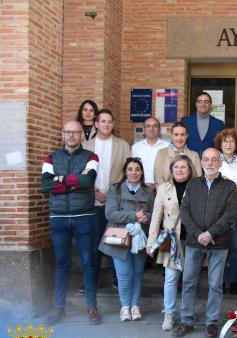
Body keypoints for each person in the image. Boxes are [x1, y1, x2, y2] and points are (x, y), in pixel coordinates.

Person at [173, 148, 237, 338]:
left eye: (214, 160)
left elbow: (230, 213)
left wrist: (210, 233)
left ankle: (211, 323)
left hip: (219, 243)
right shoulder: (192, 185)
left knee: (215, 284)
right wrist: (198, 234)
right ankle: (186, 320)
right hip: (194, 242)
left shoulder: (229, 186)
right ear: (201, 163)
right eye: (206, 160)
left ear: (220, 163)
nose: (210, 163)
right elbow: (184, 211)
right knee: (188, 282)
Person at [42, 120, 101, 325]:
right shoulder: (51, 158)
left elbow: (87, 181)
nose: (72, 136)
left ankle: (92, 307)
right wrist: (71, 181)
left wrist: (59, 179)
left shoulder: (91, 157)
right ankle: (59, 308)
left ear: (82, 135)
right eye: (68, 132)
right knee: (61, 264)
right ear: (63, 134)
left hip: (83, 216)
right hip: (58, 217)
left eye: (76, 132)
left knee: (88, 262)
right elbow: (46, 185)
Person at [99, 158, 154, 321]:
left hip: (140, 238)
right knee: (124, 274)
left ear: (142, 172)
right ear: (125, 172)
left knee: (137, 273)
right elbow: (110, 213)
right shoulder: (115, 189)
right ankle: (125, 306)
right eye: (130, 169)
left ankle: (135, 305)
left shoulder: (149, 191)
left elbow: (153, 213)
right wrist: (133, 216)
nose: (134, 172)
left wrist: (146, 217)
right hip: (118, 237)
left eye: (137, 169)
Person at [146, 155, 196, 331]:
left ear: (189, 170)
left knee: (190, 279)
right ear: (171, 170)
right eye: (176, 167)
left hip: (193, 239)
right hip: (172, 239)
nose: (180, 170)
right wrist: (151, 242)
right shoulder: (163, 188)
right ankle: (169, 313)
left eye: (183, 167)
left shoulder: (198, 186)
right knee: (170, 278)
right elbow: (156, 216)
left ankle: (187, 314)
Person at [83, 108, 130, 289]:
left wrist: (110, 194)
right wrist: (94, 191)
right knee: (94, 242)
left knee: (116, 241)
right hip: (92, 201)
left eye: (110, 121)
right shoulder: (86, 146)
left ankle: (118, 281)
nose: (107, 124)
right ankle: (91, 282)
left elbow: (128, 173)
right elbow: (81, 173)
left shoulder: (123, 145)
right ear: (96, 124)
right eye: (103, 121)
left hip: (115, 202)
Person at [215, 128, 237, 295]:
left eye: (231, 141)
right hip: (218, 216)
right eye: (225, 141)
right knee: (220, 249)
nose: (228, 144)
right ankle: (219, 282)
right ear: (220, 144)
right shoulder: (214, 162)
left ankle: (234, 281)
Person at [131, 117, 169, 189]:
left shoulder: (168, 146)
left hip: (163, 188)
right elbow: (133, 170)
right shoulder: (136, 147)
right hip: (141, 188)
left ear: (159, 129)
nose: (151, 129)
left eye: (155, 126)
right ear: (144, 130)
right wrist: (142, 183)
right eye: (148, 126)